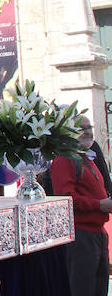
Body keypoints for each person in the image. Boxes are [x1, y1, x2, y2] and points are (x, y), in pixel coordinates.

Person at [50, 114, 112, 296]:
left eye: (89, 127)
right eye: (81, 128)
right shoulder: (65, 159)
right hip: (82, 235)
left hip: (98, 234)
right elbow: (66, 198)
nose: (87, 132)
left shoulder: (86, 159)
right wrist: (99, 205)